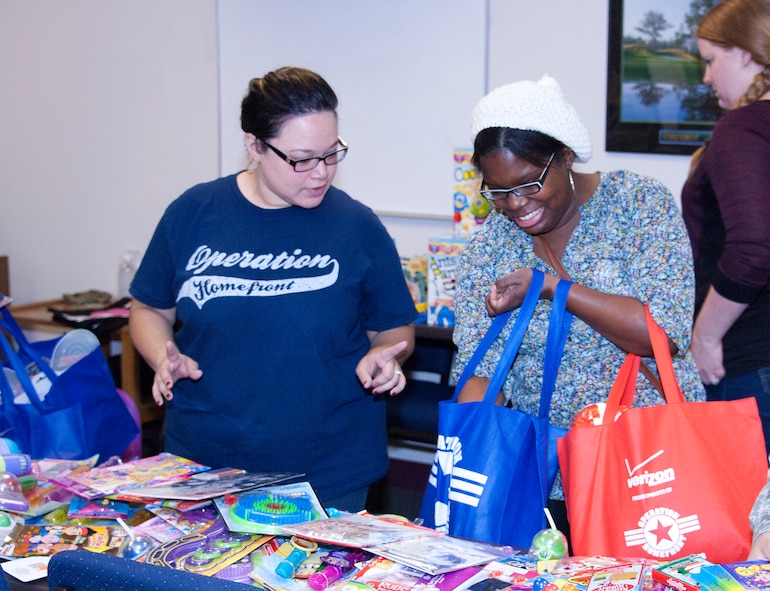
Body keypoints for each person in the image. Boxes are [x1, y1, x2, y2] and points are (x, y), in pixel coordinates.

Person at [128, 66, 417, 512]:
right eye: (301, 158)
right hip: (204, 463)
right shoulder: (193, 212)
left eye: (332, 153)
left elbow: (393, 326)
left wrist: (387, 355)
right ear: (254, 145)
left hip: (328, 468)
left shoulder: (357, 226)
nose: (321, 173)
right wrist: (161, 356)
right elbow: (149, 308)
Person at [452, 75, 705, 534]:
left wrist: (550, 287)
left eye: (529, 184)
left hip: (652, 464)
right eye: (498, 190)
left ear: (565, 155)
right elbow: (479, 374)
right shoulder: (489, 247)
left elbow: (659, 335)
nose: (515, 204)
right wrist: (472, 460)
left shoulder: (638, 205)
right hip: (543, 479)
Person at [680, 0, 770, 456]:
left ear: (748, 54)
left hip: (752, 363)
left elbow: (754, 247)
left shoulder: (742, 130)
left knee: (749, 522)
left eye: (712, 61)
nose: (707, 77)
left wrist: (706, 335)